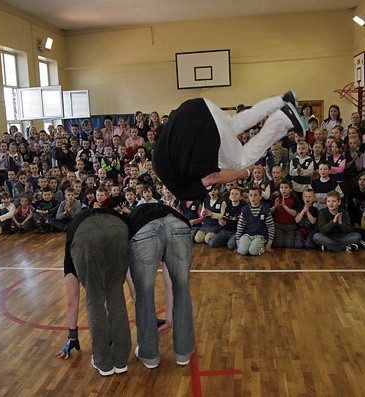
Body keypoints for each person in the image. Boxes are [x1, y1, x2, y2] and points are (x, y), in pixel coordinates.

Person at [154, 92, 304, 200]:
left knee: (241, 161)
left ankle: (284, 118)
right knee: (235, 123)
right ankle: (282, 100)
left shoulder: (183, 192)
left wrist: (244, 173)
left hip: (203, 134)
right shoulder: (158, 159)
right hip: (199, 106)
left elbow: (213, 178)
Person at [56, 208, 131, 377]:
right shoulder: (102, 216)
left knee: (95, 298)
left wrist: (72, 336)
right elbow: (133, 284)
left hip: (85, 235)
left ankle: (103, 362)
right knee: (116, 295)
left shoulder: (72, 241)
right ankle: (121, 361)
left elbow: (71, 301)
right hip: (119, 227)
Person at [128, 203, 195, 369]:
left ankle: (149, 355)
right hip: (179, 226)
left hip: (144, 231)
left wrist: (148, 324)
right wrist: (169, 320)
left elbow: (136, 290)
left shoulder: (130, 222)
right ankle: (183, 354)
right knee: (182, 288)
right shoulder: (166, 210)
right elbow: (170, 283)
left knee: (144, 292)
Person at [236, 186, 275, 256]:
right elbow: (240, 226)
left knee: (253, 251)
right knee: (242, 251)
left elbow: (271, 227)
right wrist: (237, 241)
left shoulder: (265, 209)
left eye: (255, 195)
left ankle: (261, 247)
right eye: (251, 195)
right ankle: (250, 245)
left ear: (260, 197)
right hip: (247, 235)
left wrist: (269, 243)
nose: (253, 197)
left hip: (260, 236)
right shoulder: (245, 209)